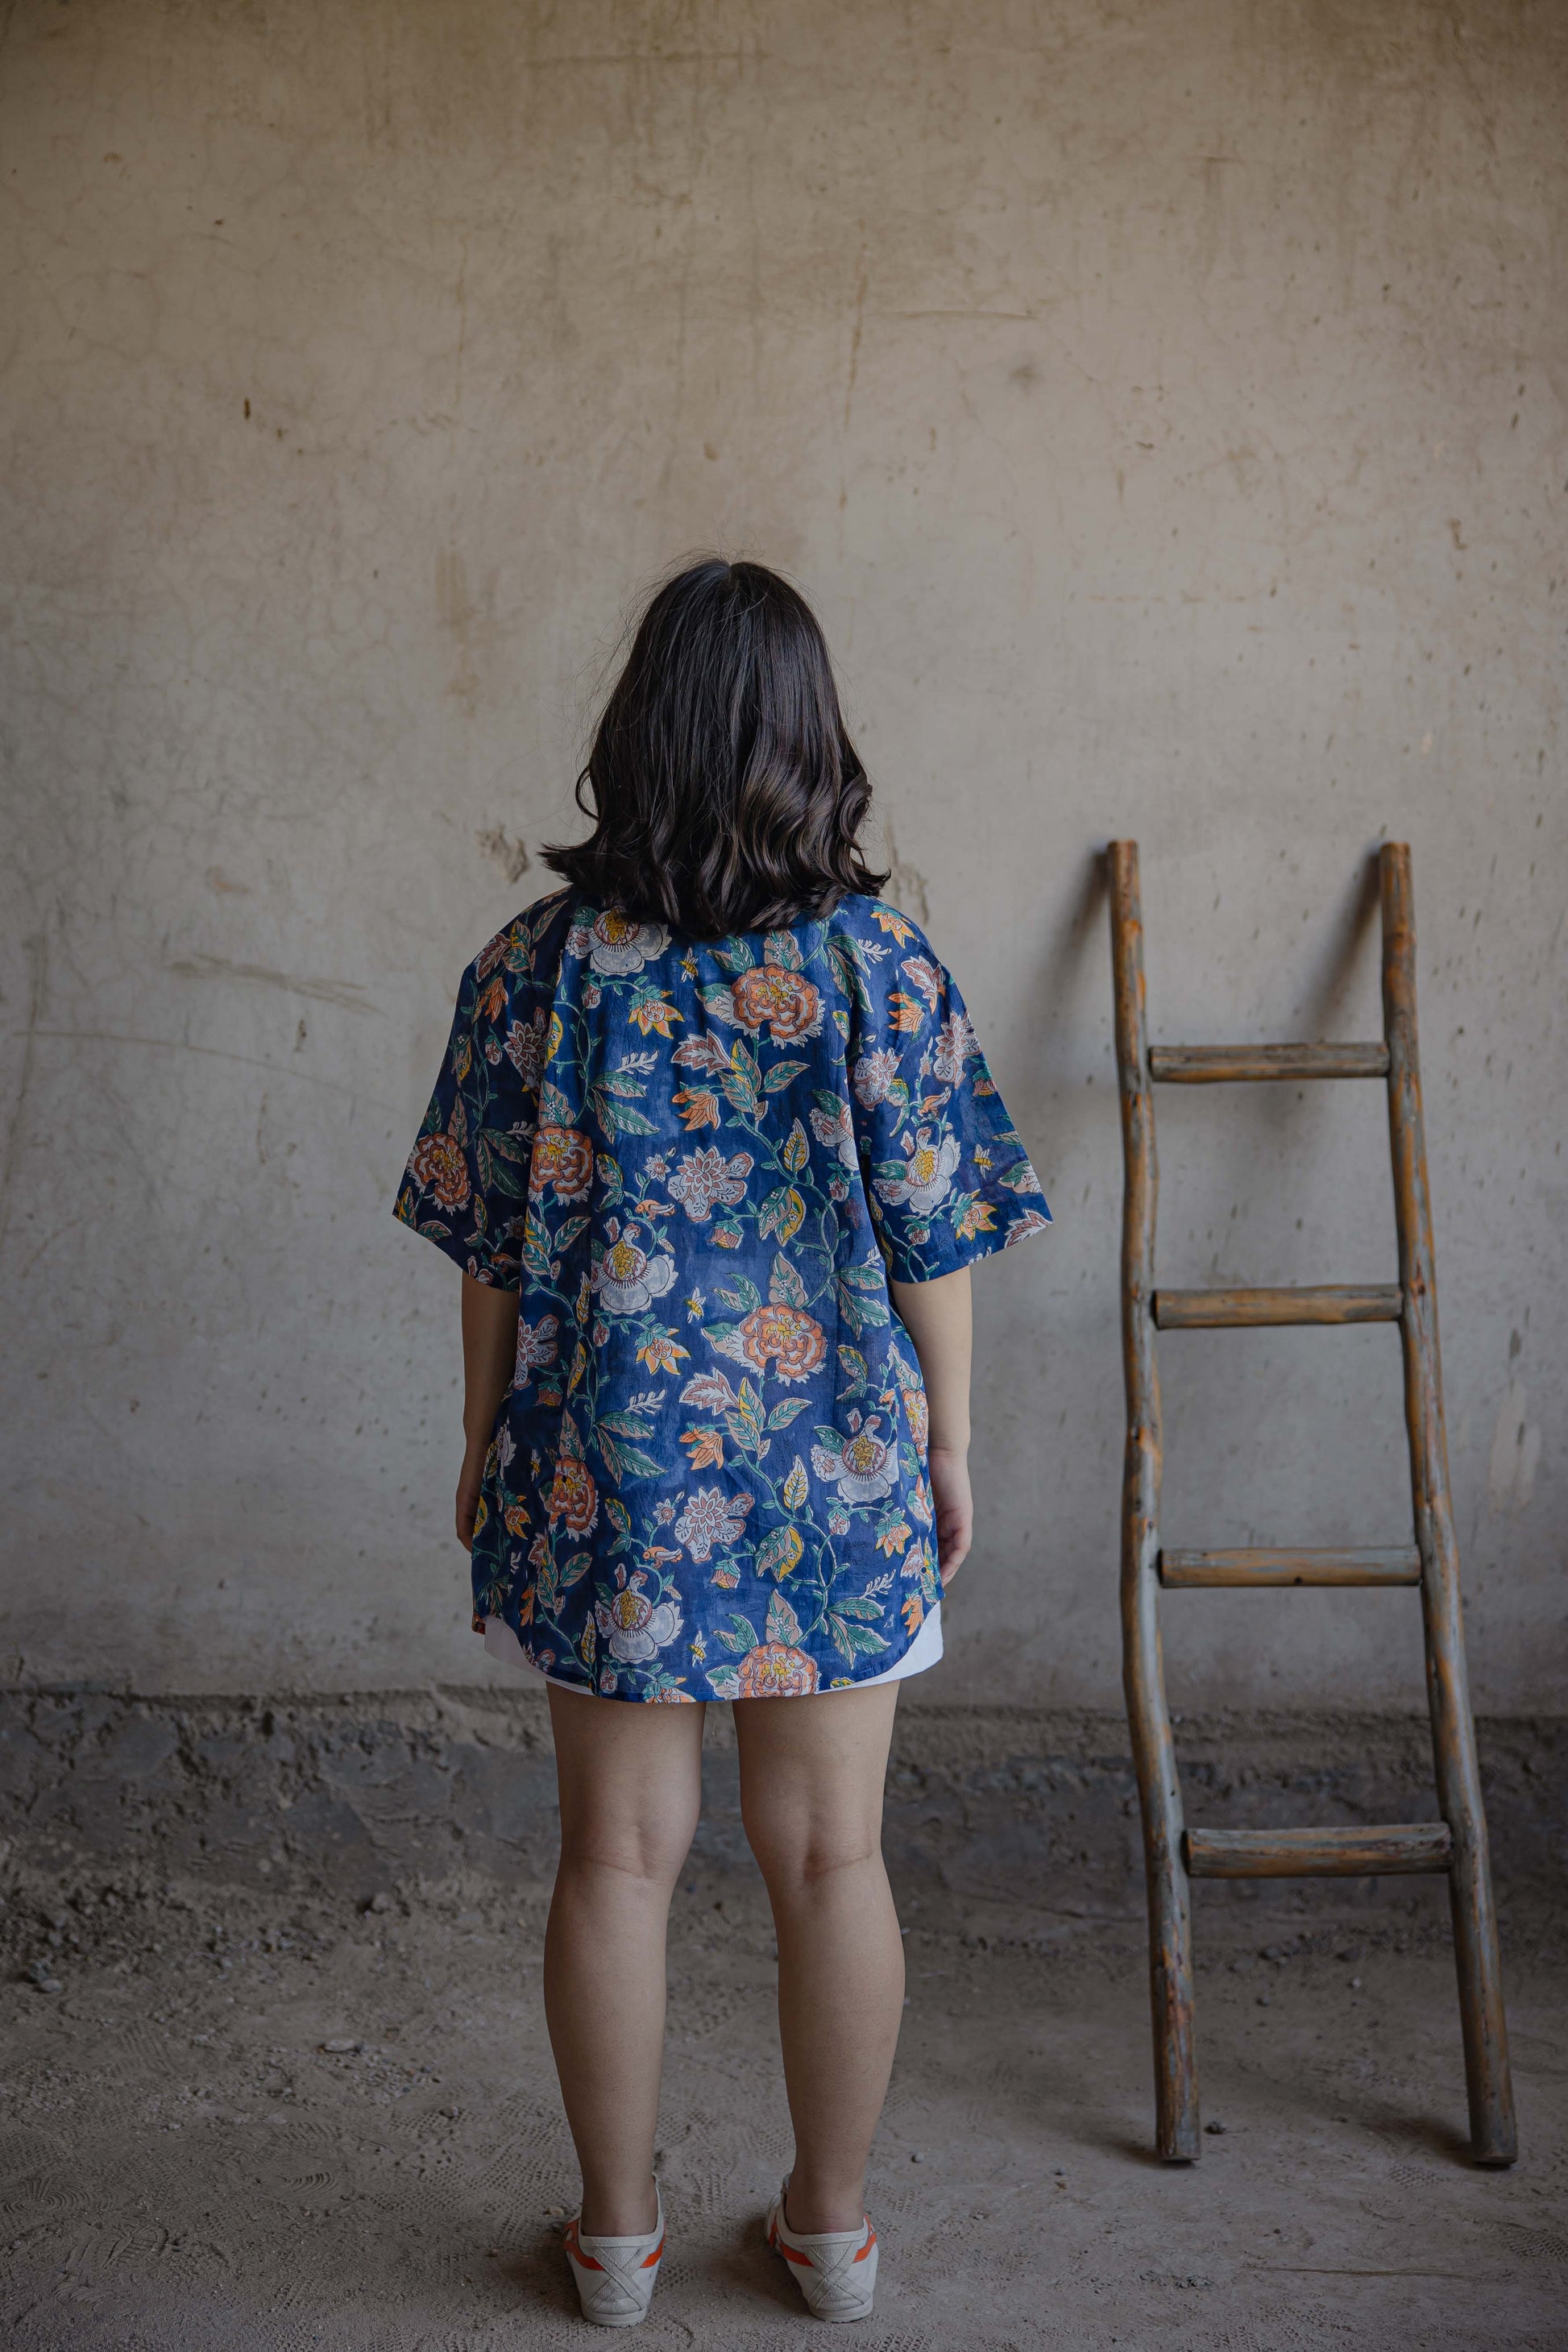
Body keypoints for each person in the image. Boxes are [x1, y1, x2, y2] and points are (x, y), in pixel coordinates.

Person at [394, 558, 1050, 2327]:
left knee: (615, 1853)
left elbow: (490, 1250)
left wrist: (481, 1440)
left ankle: (612, 2241)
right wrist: (952, 1443)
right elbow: (940, 1235)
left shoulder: (533, 969)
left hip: (609, 1461)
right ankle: (827, 2232)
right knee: (831, 1854)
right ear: (807, 742)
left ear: (640, 736)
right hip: (834, 1458)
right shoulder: (876, 965)